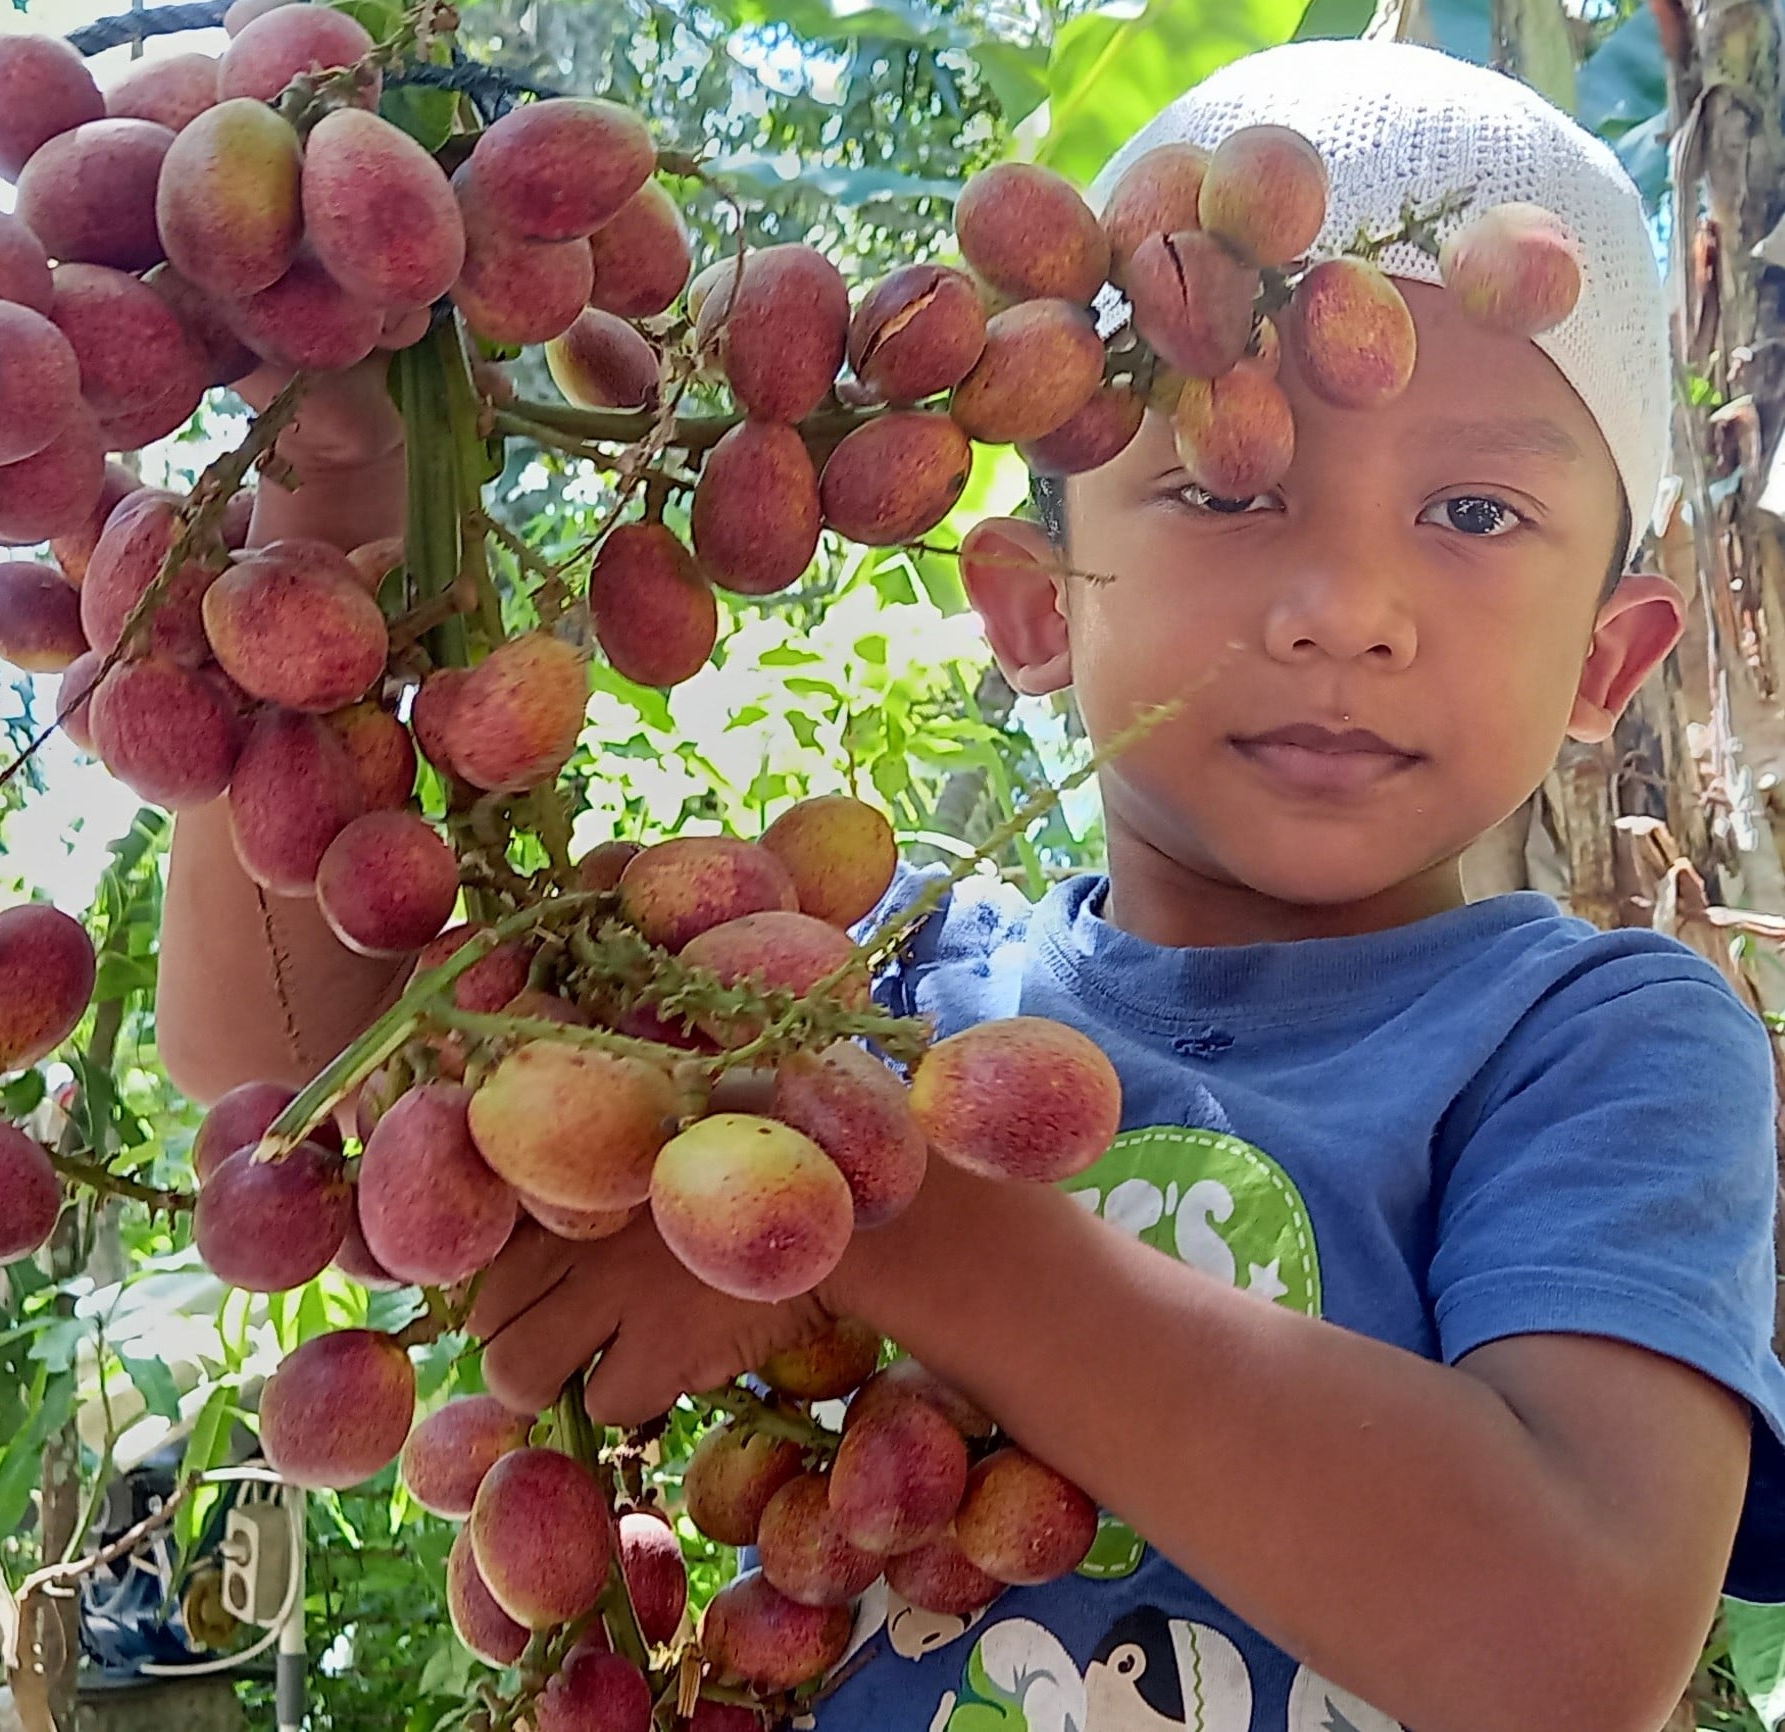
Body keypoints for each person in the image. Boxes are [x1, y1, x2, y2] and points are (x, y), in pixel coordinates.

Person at [157, 38, 1785, 1732]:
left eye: (1470, 507)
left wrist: (868, 1212)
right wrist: (326, 495)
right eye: (1228, 485)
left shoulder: (1599, 1045)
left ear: (1609, 662)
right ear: (1029, 604)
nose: (1343, 604)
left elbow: (1566, 1643)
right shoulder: (854, 983)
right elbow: (298, 1076)